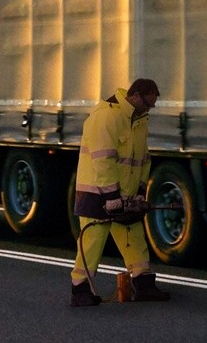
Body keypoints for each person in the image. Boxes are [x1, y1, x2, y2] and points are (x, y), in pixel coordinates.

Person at [70, 77, 171, 306]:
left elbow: (143, 159)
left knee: (133, 235)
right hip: (96, 190)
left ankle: (143, 283)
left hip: (123, 192)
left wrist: (140, 190)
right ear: (135, 96)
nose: (150, 108)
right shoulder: (106, 116)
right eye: (148, 103)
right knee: (92, 240)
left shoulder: (139, 119)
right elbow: (103, 160)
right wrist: (112, 197)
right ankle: (79, 289)